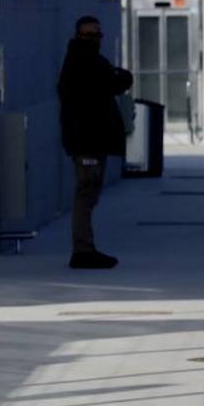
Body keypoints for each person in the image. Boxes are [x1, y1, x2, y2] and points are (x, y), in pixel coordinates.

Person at [57, 16, 133, 270]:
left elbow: (117, 81)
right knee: (86, 193)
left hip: (92, 142)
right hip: (86, 144)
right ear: (79, 36)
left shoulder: (90, 62)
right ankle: (83, 250)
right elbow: (116, 81)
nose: (93, 40)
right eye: (88, 35)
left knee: (89, 195)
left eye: (97, 35)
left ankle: (85, 249)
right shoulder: (82, 63)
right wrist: (117, 76)